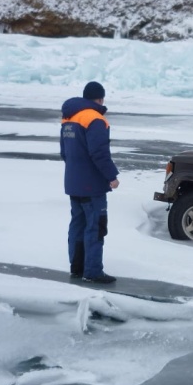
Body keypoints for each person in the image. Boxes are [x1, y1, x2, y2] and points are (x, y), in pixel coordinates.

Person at [60, 81, 120, 284]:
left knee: (77, 225)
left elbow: (64, 152)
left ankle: (77, 268)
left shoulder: (69, 118)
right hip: (92, 185)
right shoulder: (96, 119)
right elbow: (99, 153)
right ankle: (93, 271)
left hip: (73, 182)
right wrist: (111, 176)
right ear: (101, 98)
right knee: (95, 226)